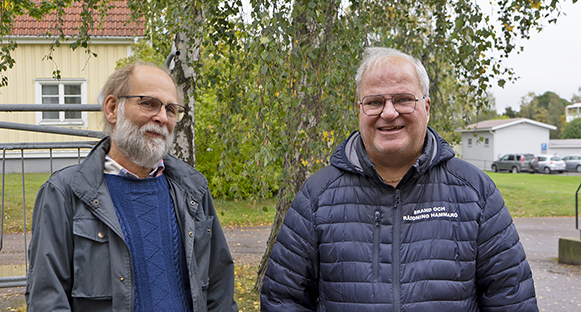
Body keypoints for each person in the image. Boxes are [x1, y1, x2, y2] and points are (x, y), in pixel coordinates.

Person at [261, 47, 538, 311]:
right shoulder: (317, 196)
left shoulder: (475, 192)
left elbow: (511, 299)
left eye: (404, 99)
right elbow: (284, 299)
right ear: (360, 109)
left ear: (426, 107)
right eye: (375, 102)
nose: (389, 112)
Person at [26, 63, 238, 312]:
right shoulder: (64, 193)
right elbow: (47, 300)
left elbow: (220, 290)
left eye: (171, 109)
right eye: (148, 103)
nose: (161, 117)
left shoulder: (193, 190)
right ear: (113, 109)